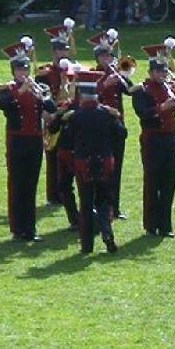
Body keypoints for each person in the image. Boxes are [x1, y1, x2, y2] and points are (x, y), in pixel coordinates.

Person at [0, 38, 57, 242]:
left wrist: (44, 97)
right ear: (13, 72)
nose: (23, 73)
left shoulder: (37, 88)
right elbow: (3, 105)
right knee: (17, 184)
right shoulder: (7, 89)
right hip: (16, 141)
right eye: (19, 70)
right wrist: (21, 91)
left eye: (25, 69)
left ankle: (30, 228)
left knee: (31, 185)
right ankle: (17, 228)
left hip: (34, 141)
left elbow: (51, 109)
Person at [131, 37, 175, 238]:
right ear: (150, 72)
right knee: (152, 182)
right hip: (152, 140)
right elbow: (143, 113)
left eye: (164, 71)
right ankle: (150, 224)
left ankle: (166, 225)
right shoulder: (142, 90)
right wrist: (162, 108)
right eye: (158, 71)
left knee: (168, 182)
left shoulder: (170, 87)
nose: (162, 74)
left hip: (170, 140)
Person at [64, 70, 124, 254]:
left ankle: (87, 245)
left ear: (82, 95)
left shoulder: (75, 116)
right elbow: (122, 133)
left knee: (86, 204)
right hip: (104, 161)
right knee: (104, 201)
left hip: (84, 163)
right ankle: (107, 233)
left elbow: (67, 140)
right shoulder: (107, 114)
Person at [89, 29, 140, 220]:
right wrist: (104, 84)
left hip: (117, 125)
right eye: (103, 56)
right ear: (97, 58)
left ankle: (115, 207)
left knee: (116, 167)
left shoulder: (117, 74)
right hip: (99, 126)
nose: (107, 59)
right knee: (101, 168)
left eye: (109, 56)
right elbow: (88, 96)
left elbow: (130, 90)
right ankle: (99, 206)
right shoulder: (92, 74)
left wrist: (123, 75)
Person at [37, 19, 75, 205]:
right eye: (61, 50)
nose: (64, 53)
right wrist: (46, 114)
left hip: (68, 115)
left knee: (68, 153)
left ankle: (65, 191)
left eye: (66, 50)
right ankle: (53, 194)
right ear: (54, 52)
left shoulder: (72, 70)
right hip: (52, 116)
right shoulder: (45, 73)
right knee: (52, 155)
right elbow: (40, 95)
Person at [46, 64, 80, 232]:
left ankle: (87, 218)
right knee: (64, 187)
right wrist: (59, 116)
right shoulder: (65, 105)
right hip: (66, 153)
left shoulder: (90, 106)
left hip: (81, 153)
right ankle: (75, 219)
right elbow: (52, 129)